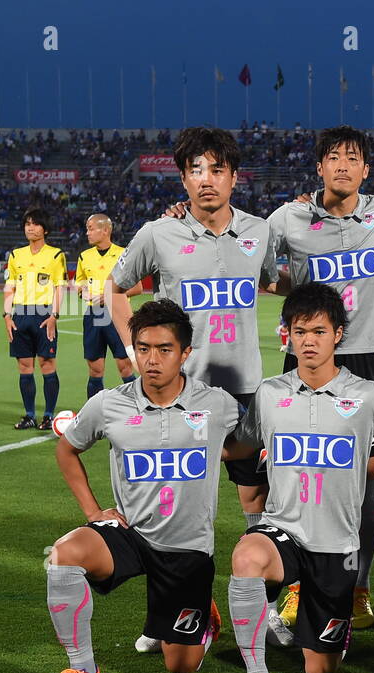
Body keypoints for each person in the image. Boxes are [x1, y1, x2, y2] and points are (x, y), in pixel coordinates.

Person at [220, 283, 374, 673]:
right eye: (299, 331)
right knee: (247, 554)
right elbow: (239, 445)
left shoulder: (367, 396)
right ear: (287, 335)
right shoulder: (270, 394)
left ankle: (330, 631)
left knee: (320, 670)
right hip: (283, 531)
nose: (308, 341)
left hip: (337, 546)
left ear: (339, 335)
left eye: (318, 331)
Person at [106, 126, 280, 590]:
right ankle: (175, 611)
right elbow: (115, 286)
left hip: (245, 387)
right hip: (181, 393)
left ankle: (257, 599)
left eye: (216, 170)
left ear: (234, 178)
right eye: (195, 170)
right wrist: (135, 347)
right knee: (177, 505)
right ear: (183, 178)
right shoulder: (157, 234)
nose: (206, 179)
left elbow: (277, 281)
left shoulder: (259, 231)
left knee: (256, 495)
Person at [44, 300, 240, 673]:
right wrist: (94, 513)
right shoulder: (110, 403)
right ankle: (84, 671)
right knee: (64, 555)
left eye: (164, 349)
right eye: (143, 348)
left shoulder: (217, 404)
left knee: (180, 667)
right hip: (129, 534)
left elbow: (253, 445)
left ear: (186, 353)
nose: (152, 360)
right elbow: (67, 451)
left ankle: (202, 613)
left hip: (186, 548)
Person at [264, 127, 374, 630]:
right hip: (301, 358)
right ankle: (297, 584)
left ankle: (358, 585)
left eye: (352, 158)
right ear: (319, 167)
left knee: (364, 480)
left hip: (361, 359)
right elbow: (257, 266)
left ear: (366, 170)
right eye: (333, 157)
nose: (342, 165)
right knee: (296, 474)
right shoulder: (287, 218)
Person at [3, 208, 65, 430]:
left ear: (45, 229)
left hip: (43, 314)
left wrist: (54, 316)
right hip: (19, 314)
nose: (30, 227)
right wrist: (6, 315)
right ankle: (29, 415)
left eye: (35, 223)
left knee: (46, 364)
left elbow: (60, 288)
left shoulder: (56, 255)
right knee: (24, 366)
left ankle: (48, 415)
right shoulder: (15, 255)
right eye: (27, 223)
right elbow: (9, 287)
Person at [73, 213, 137, 399]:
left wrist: (109, 296)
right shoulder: (84, 257)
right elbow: (80, 283)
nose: (87, 233)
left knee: (125, 366)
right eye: (87, 229)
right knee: (95, 368)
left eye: (91, 228)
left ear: (106, 230)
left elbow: (137, 287)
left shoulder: (123, 253)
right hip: (93, 315)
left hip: (118, 314)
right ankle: (95, 413)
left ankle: (137, 409)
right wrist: (82, 292)